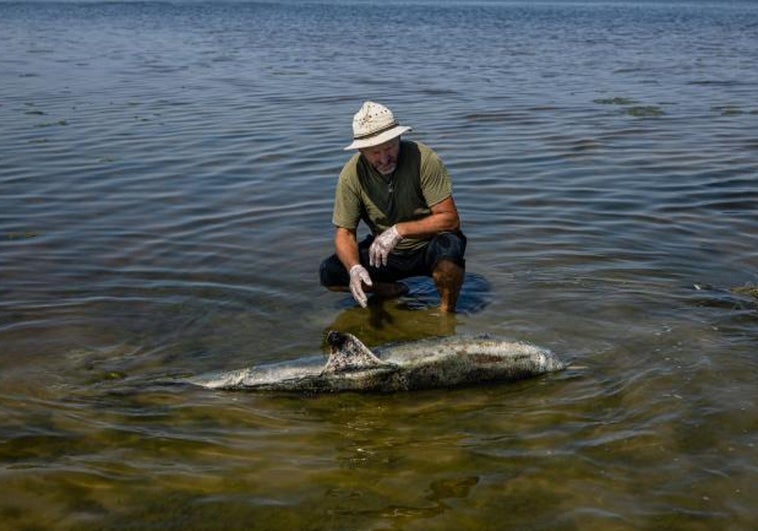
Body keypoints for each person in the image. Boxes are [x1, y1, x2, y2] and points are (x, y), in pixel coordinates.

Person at [319, 101, 466, 313]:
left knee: (449, 253)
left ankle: (446, 312)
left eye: (389, 148)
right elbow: (345, 233)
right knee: (330, 272)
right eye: (374, 153)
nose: (384, 158)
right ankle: (392, 290)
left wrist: (399, 230)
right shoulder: (351, 175)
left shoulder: (424, 159)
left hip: (427, 245)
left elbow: (450, 219)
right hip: (384, 253)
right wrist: (354, 267)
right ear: (361, 150)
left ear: (399, 138)